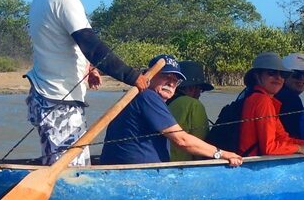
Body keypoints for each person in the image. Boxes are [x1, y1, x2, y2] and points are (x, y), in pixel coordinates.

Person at [26, 0, 148, 167]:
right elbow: (91, 45)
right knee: (70, 169)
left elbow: (63, 43)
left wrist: (89, 67)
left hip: (46, 96)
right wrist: (132, 76)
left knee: (63, 162)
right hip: (59, 100)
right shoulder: (65, 0)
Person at [100, 55, 242, 167]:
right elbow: (181, 140)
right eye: (166, 76)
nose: (171, 83)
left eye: (176, 80)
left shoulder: (145, 98)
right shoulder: (147, 96)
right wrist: (222, 154)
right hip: (135, 176)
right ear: (147, 76)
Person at [238, 52, 304, 159]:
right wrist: (299, 148)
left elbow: (283, 139)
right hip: (252, 163)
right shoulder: (262, 100)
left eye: (283, 74)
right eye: (271, 73)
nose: (278, 78)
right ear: (257, 76)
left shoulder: (261, 98)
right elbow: (269, 148)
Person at [167, 60, 213, 162]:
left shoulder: (162, 102)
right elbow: (201, 146)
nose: (200, 94)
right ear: (192, 88)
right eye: (200, 89)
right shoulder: (194, 105)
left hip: (164, 163)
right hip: (183, 166)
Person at [275, 53, 304, 138]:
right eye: (297, 75)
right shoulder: (291, 100)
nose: (302, 79)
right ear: (284, 76)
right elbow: (295, 134)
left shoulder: (276, 93)